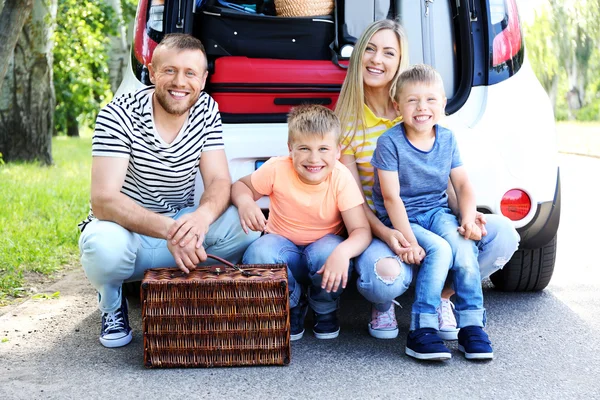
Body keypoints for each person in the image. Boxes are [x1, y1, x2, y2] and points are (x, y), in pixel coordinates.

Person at [335, 19, 519, 342]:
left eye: (388, 53)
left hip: (431, 218)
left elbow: (445, 176)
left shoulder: (417, 106)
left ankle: (443, 298)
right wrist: (392, 235)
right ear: (359, 54)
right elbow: (354, 201)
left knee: (501, 235)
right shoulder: (346, 122)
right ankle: (384, 303)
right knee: (384, 277)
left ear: (399, 62)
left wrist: (465, 211)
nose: (377, 60)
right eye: (371, 50)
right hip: (381, 226)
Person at [78, 34, 259, 348]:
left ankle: (185, 284)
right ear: (152, 73)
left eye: (190, 73)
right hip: (127, 233)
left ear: (203, 80)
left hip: (178, 225)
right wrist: (172, 231)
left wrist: (200, 219)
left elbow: (218, 181)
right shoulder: (118, 114)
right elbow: (104, 200)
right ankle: (111, 299)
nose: (180, 81)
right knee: (100, 247)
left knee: (246, 231)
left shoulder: (205, 109)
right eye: (170, 70)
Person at [372, 64, 494, 360]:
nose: (421, 107)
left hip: (436, 212)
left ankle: (471, 326)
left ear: (443, 104)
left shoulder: (448, 139)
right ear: (397, 106)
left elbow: (463, 184)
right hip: (403, 215)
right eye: (412, 100)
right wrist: (410, 241)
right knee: (440, 250)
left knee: (463, 247)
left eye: (430, 100)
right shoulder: (390, 143)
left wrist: (467, 219)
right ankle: (422, 329)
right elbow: (391, 198)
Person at [232, 105, 371, 341]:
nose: (314, 158)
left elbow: (361, 230)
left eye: (323, 149)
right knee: (258, 253)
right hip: (284, 250)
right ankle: (293, 302)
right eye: (304, 148)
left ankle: (324, 306)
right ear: (290, 149)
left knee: (331, 252)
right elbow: (241, 186)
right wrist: (245, 203)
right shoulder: (277, 168)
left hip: (322, 255)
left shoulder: (341, 177)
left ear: (338, 151)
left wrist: (343, 252)